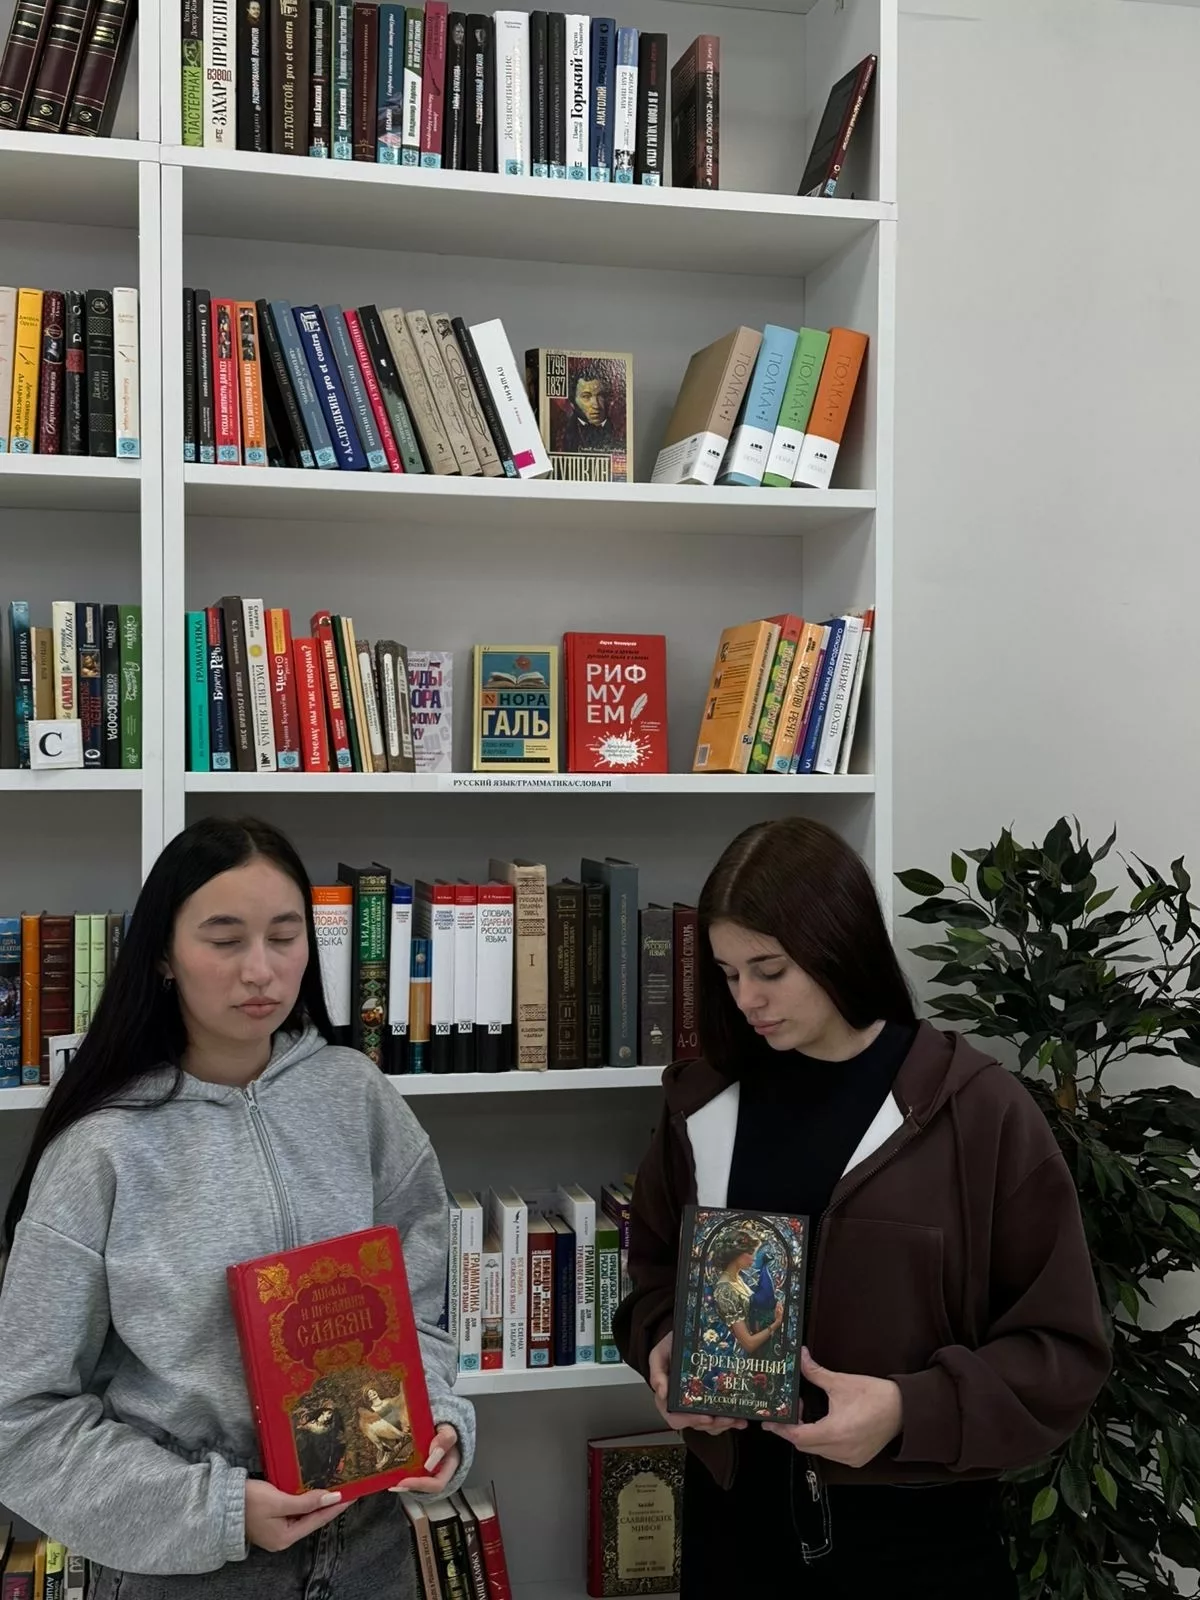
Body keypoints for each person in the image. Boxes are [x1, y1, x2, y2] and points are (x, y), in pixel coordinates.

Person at [613, 817, 1110, 1599]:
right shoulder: (701, 1107)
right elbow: (650, 1275)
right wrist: (663, 1343)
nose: (747, 999)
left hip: (918, 1547)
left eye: (770, 970)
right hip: (732, 1532)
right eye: (728, 973)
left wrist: (909, 1408)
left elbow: (1064, 1352)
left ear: (837, 943)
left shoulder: (979, 1112)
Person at [0, 816, 474, 1597]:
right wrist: (216, 1509)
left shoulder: (356, 1096)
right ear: (163, 954)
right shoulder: (103, 1149)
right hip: (195, 1568)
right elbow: (24, 1420)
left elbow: (423, 1307)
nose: (261, 970)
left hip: (373, 1547)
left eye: (285, 937)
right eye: (224, 940)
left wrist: (438, 1416)